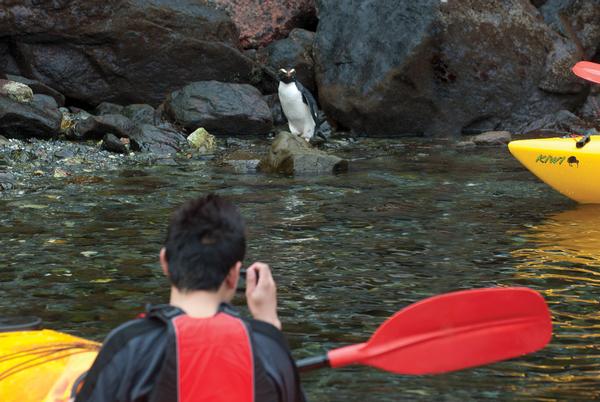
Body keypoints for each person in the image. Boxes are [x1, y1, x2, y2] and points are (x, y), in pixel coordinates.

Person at [75, 194, 305, 402]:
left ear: (165, 262)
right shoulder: (269, 348)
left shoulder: (129, 343)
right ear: (234, 274)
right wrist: (269, 323)